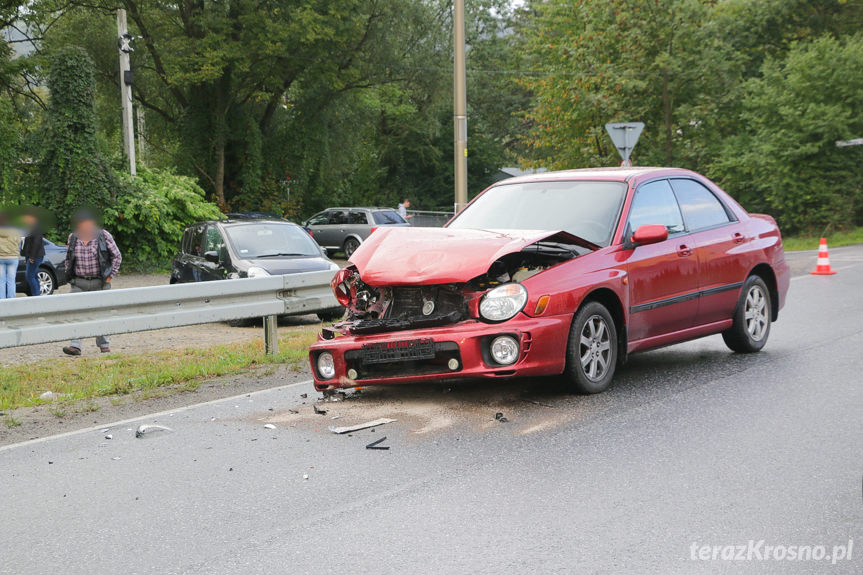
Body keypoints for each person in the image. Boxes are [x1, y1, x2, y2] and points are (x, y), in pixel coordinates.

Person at [62, 210, 122, 356]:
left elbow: (117, 256)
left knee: (101, 313)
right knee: (76, 313)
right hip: (79, 282)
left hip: (100, 281)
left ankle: (104, 344)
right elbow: (68, 259)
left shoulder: (103, 235)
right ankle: (75, 346)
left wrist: (110, 276)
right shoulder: (73, 237)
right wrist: (70, 275)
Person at [21, 211, 46, 296]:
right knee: (34, 276)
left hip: (35, 256)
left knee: (29, 276)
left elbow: (36, 242)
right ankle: (37, 295)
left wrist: (32, 256)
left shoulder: (36, 227)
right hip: (30, 255)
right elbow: (27, 242)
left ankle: (36, 296)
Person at [0, 211, 21, 299]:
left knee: (1, 281)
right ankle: (11, 299)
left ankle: (2, 300)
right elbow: (19, 242)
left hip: (0, 257)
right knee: (11, 280)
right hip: (13, 257)